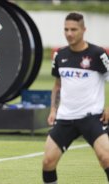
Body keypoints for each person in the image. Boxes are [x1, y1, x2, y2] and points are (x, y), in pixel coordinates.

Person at [42, 12, 109, 183]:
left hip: (92, 117)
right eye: (66, 29)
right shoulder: (59, 55)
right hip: (66, 118)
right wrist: (53, 109)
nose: (69, 33)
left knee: (106, 158)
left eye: (74, 29)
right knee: (48, 162)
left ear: (83, 30)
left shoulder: (97, 54)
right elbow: (58, 85)